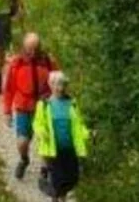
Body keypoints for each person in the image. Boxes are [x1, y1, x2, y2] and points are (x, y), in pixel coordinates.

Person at [3, 32, 59, 180]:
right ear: (24, 48)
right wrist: (7, 111)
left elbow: (58, 83)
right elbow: (9, 88)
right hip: (24, 106)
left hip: (44, 106)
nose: (32, 53)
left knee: (45, 140)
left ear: (40, 47)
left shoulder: (48, 61)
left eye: (35, 49)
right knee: (22, 142)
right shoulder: (17, 63)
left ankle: (44, 169)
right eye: (29, 49)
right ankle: (24, 159)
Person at [32, 71, 89, 202]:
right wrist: (41, 132)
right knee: (58, 180)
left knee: (72, 178)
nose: (60, 88)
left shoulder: (72, 103)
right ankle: (57, 198)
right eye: (57, 85)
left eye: (63, 85)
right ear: (50, 85)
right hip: (53, 149)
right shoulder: (45, 104)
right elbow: (38, 123)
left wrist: (87, 133)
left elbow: (79, 124)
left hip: (70, 148)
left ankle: (55, 193)